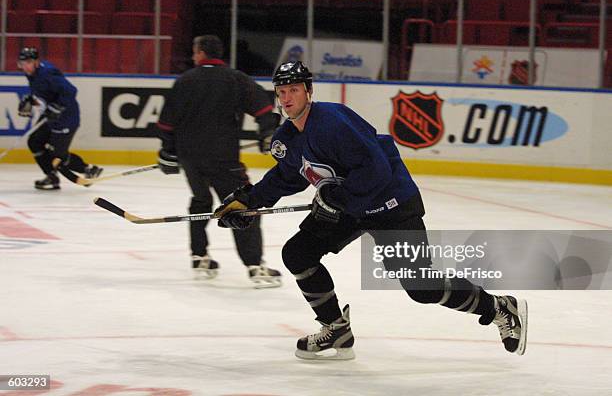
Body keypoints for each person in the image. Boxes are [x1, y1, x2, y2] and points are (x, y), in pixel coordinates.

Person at [214, 61, 528, 360]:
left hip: (390, 203)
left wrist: (338, 201)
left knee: (422, 287)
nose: (287, 98)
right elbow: (286, 177)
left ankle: (499, 307)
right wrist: (249, 201)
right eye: (282, 92)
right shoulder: (287, 138)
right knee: (298, 253)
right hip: (349, 207)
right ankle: (335, 329)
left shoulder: (334, 122)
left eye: (294, 90)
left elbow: (376, 169)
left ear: (308, 91)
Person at [156, 35, 282, 288]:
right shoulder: (234, 79)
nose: (193, 57)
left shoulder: (185, 80)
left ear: (201, 53)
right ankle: (255, 265)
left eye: (194, 52)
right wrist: (267, 134)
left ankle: (200, 256)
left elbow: (166, 123)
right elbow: (264, 108)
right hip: (223, 159)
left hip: (190, 158)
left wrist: (168, 151)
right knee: (243, 206)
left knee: (201, 201)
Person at [17, 47, 103, 190]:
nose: (25, 66)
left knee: (57, 156)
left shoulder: (47, 73)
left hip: (66, 118)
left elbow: (71, 91)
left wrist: (57, 106)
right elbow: (46, 93)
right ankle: (51, 176)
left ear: (36, 62)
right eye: (22, 63)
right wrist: (32, 100)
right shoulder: (31, 74)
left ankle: (88, 169)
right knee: (34, 141)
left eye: (28, 62)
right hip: (51, 117)